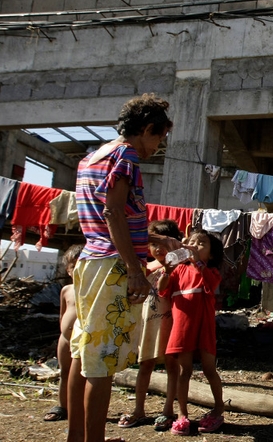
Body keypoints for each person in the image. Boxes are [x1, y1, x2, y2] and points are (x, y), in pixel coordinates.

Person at [68, 93, 181, 442]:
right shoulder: (125, 155)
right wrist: (135, 268)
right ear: (146, 129)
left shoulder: (93, 156)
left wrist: (151, 241)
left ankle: (76, 436)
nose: (158, 147)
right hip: (112, 268)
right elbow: (113, 213)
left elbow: (111, 219)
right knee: (100, 362)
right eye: (158, 137)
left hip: (90, 261)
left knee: (82, 353)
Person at [157, 228, 225, 436]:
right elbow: (162, 289)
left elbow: (210, 283)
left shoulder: (211, 272)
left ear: (211, 254)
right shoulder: (178, 271)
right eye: (191, 242)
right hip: (182, 326)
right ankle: (182, 414)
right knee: (184, 370)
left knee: (208, 368)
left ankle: (219, 408)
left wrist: (196, 260)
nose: (194, 245)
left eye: (201, 243)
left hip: (204, 327)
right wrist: (167, 271)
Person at [117, 219, 182, 431]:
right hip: (148, 323)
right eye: (153, 244)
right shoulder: (145, 266)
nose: (157, 249)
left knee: (173, 366)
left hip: (171, 322)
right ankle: (139, 409)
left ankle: (168, 410)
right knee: (145, 364)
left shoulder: (181, 264)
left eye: (162, 243)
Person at [43, 243, 84, 422]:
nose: (77, 271)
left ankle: (80, 406)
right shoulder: (66, 290)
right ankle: (62, 406)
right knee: (64, 373)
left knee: (82, 374)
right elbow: (62, 314)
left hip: (83, 339)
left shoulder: (92, 291)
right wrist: (62, 333)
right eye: (74, 267)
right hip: (65, 339)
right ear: (68, 270)